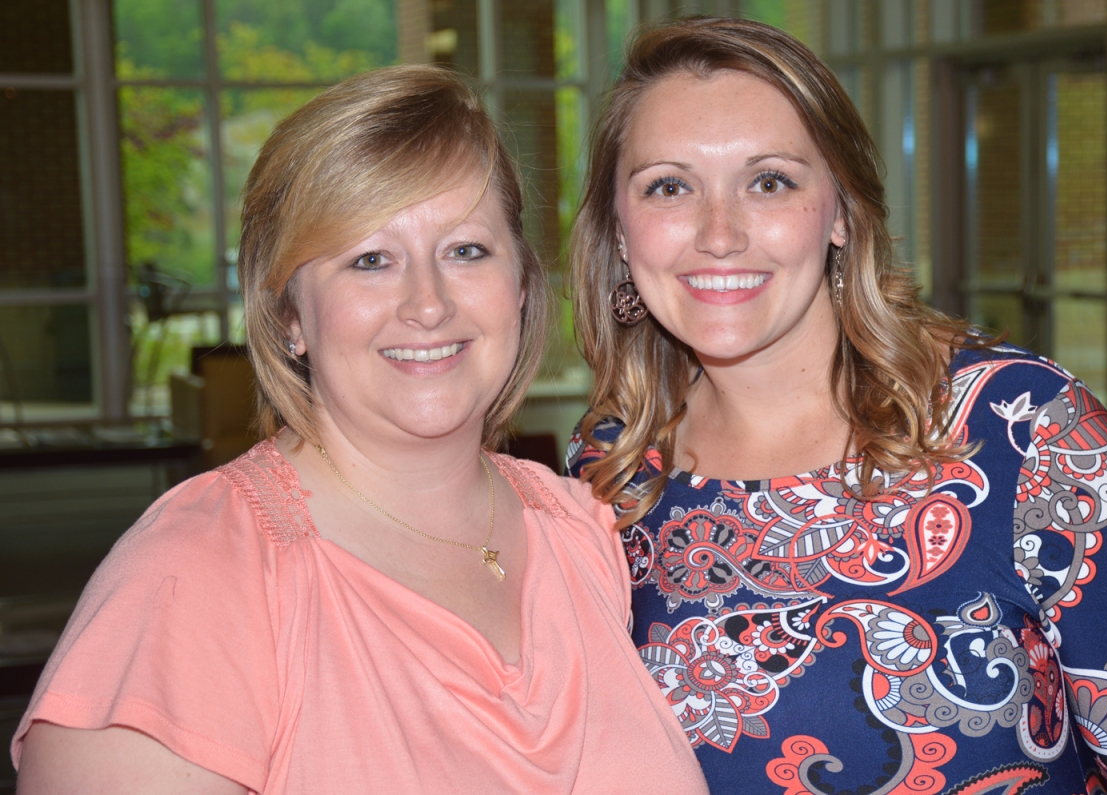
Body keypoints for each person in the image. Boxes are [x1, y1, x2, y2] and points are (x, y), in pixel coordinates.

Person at [13, 65, 707, 795]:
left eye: (466, 250)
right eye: (370, 260)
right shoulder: (196, 573)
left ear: (524, 284)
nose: (428, 304)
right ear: (288, 316)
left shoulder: (586, 532)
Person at [568, 16, 1107, 795]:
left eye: (770, 181)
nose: (719, 233)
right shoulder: (610, 465)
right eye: (669, 186)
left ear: (840, 212)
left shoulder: (1023, 430)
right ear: (621, 233)